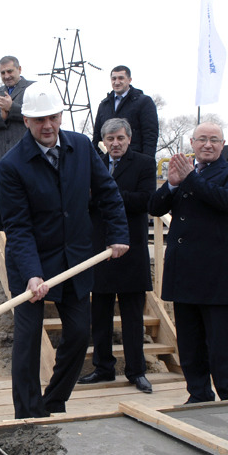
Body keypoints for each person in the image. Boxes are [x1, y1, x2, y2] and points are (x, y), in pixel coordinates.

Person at [0, 82, 129, 419]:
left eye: (53, 117)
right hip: (31, 263)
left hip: (76, 259)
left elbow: (108, 192)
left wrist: (117, 233)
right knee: (26, 342)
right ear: (25, 121)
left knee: (79, 334)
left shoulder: (82, 146)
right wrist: (31, 274)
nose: (48, 126)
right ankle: (28, 413)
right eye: (39, 120)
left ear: (60, 115)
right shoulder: (11, 165)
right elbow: (19, 227)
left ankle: (54, 399)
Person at [148, 121, 228, 403]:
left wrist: (190, 178)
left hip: (217, 276)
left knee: (222, 345)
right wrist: (171, 183)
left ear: (223, 145)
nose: (208, 144)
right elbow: (155, 207)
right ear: (192, 143)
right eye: (202, 139)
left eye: (214, 140)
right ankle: (198, 393)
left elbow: (226, 201)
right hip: (183, 272)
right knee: (190, 344)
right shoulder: (183, 174)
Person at [78, 118, 155, 394]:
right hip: (99, 249)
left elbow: (144, 200)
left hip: (131, 249)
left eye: (120, 138)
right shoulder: (93, 161)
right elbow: (82, 199)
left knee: (133, 317)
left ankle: (137, 371)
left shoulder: (145, 164)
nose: (115, 143)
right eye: (110, 139)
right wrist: (104, 197)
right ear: (103, 140)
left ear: (129, 138)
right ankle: (103, 368)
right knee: (100, 314)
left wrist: (108, 194)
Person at [0, 56, 35, 233]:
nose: (6, 76)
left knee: (28, 195)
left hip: (26, 152)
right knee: (5, 199)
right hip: (2, 155)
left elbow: (36, 113)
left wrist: (12, 107)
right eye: (3, 72)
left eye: (10, 71)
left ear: (19, 69)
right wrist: (2, 116)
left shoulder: (32, 88)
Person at [92, 65, 158, 159]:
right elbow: (97, 136)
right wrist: (96, 160)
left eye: (121, 78)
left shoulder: (144, 102)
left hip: (134, 161)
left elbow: (150, 135)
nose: (117, 82)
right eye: (114, 79)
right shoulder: (104, 105)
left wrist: (147, 162)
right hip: (108, 163)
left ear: (129, 80)